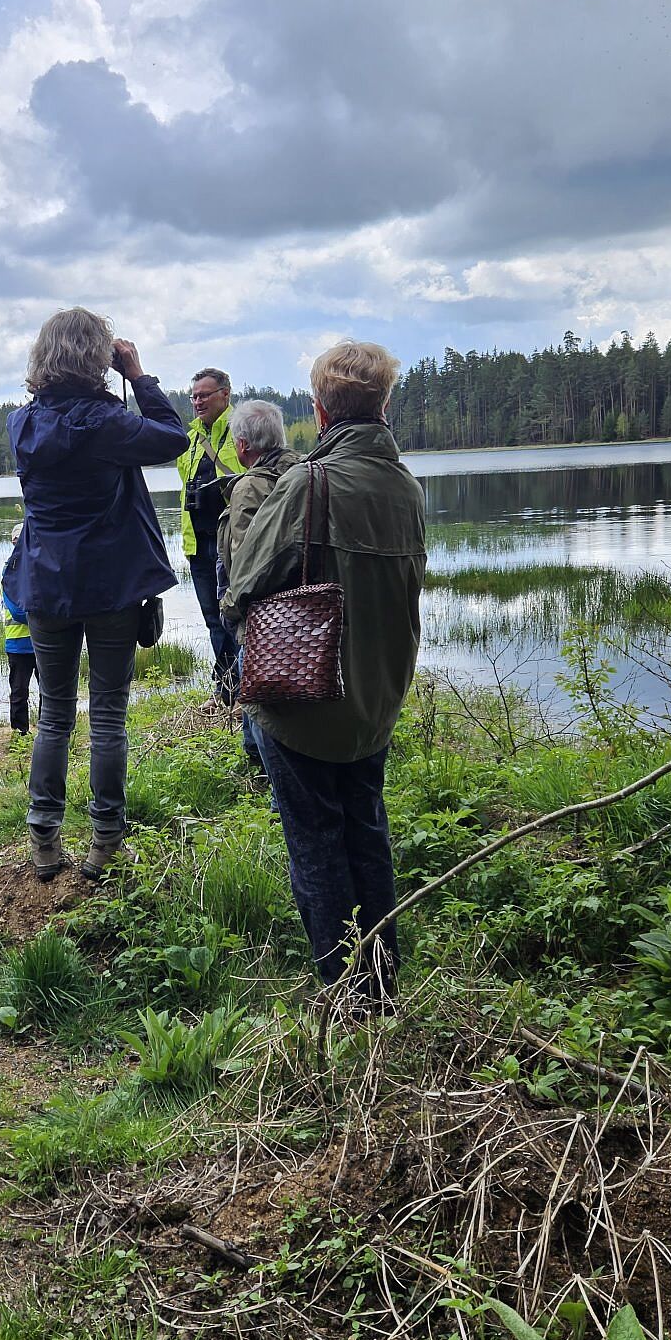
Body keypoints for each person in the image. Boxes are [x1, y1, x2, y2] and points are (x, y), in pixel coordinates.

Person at [222, 342, 425, 1010]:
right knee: (366, 828)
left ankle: (343, 992)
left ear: (318, 410)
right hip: (377, 697)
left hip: (304, 700)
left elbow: (242, 588)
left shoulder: (308, 484)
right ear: (384, 406)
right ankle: (382, 979)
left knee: (314, 840)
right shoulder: (407, 487)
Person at [5, 308, 188, 880]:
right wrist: (138, 375)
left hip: (46, 585)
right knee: (108, 716)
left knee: (55, 714)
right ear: (98, 357)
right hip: (110, 587)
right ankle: (106, 843)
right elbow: (175, 438)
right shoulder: (109, 424)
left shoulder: (22, 424)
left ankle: (44, 842)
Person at [217, 398, 304, 778]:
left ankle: (265, 774)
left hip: (264, 613)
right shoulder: (306, 470)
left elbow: (245, 561)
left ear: (242, 446)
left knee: (257, 693)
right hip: (305, 609)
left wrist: (230, 606)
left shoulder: (250, 486)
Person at [179, 367, 245, 703]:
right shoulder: (189, 440)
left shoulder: (242, 430)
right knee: (212, 620)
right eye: (194, 396)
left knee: (235, 616)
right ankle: (225, 690)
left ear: (225, 394)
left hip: (232, 542)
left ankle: (245, 687)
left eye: (204, 395)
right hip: (198, 542)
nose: (198, 401)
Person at [1, 553, 35, 734]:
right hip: (18, 644)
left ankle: (49, 729)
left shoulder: (39, 568)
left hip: (41, 642)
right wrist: (43, 618)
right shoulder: (9, 573)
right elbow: (16, 611)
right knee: (19, 690)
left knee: (49, 689)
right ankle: (20, 731)